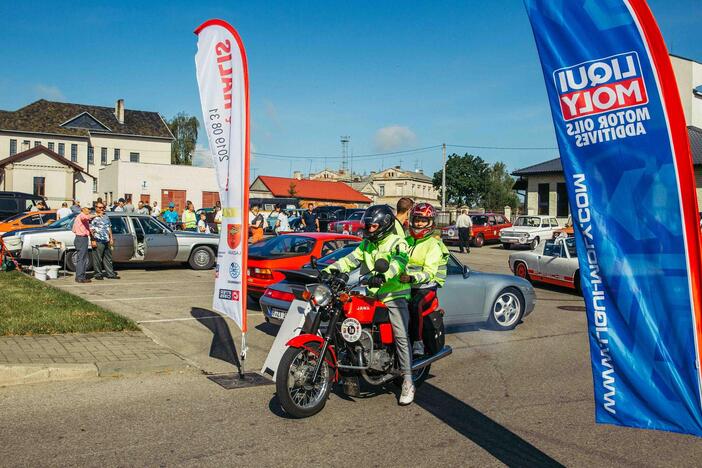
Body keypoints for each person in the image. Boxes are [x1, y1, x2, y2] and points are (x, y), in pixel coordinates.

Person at [324, 204, 415, 405]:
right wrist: (329, 270)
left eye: (373, 226)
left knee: (400, 335)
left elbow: (399, 262)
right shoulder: (367, 244)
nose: (369, 229)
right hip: (374, 294)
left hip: (394, 294)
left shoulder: (398, 242)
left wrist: (383, 276)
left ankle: (408, 381)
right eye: (368, 225)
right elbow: (350, 259)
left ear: (384, 224)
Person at [400, 203, 449, 356]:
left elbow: (429, 271)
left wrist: (412, 278)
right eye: (416, 220)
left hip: (426, 287)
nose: (419, 223)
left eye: (423, 220)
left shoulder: (433, 245)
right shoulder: (406, 241)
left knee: (415, 305)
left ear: (431, 223)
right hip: (406, 286)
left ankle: (418, 343)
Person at [89, 201, 118, 280]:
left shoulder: (106, 216)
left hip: (106, 240)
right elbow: (91, 230)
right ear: (96, 208)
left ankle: (110, 274)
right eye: (100, 207)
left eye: (103, 207)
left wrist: (111, 238)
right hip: (98, 240)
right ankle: (98, 274)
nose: (102, 209)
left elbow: (109, 228)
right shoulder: (93, 217)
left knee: (108, 258)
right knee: (97, 259)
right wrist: (93, 240)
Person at [72, 206, 95, 283]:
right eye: (87, 209)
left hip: (81, 238)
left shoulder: (81, 217)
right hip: (81, 238)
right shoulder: (82, 215)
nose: (89, 211)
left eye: (89, 209)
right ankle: (80, 277)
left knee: (82, 258)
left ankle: (80, 276)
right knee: (82, 259)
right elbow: (85, 218)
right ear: (83, 210)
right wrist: (97, 215)